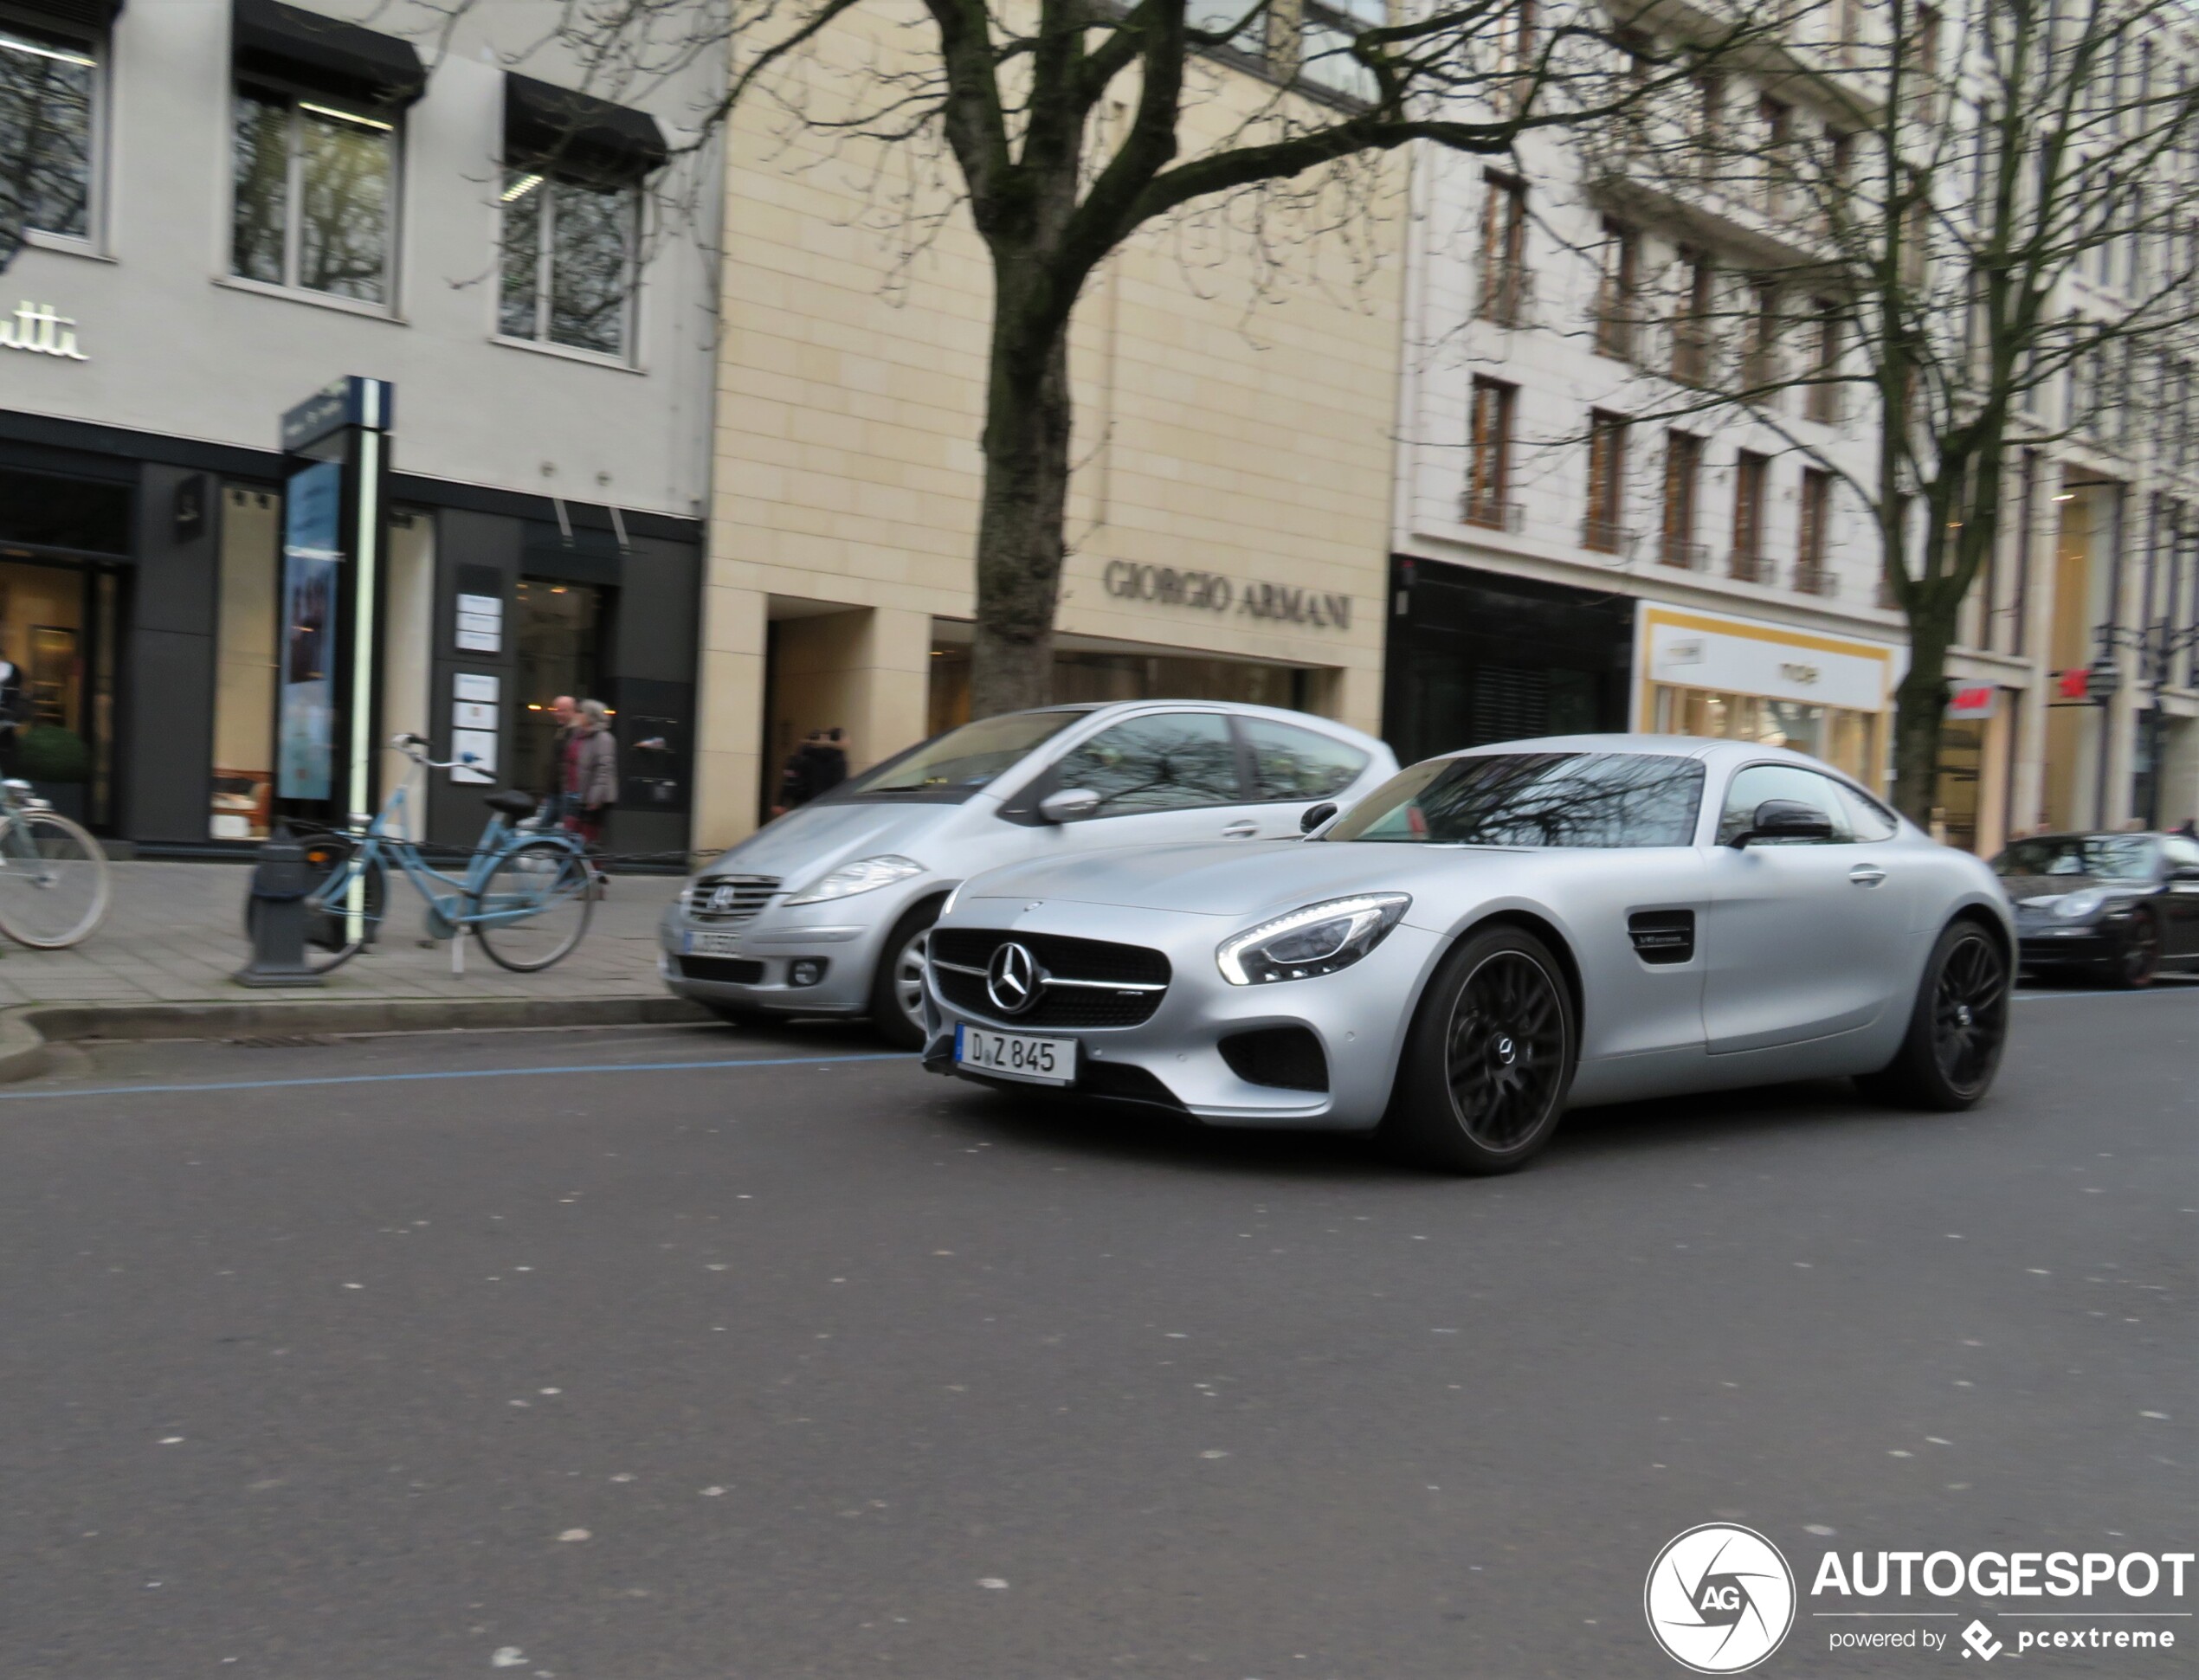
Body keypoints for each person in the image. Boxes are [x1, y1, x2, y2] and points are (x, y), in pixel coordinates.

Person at [563, 698, 617, 848]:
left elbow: (603, 769)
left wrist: (594, 799)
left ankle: (593, 871)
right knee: (568, 837)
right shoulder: (577, 735)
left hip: (590, 798)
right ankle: (572, 870)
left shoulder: (603, 738)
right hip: (573, 793)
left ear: (590, 716)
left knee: (587, 839)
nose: (577, 715)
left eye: (581, 712)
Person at [774, 727, 849, 815]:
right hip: (825, 806)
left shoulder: (801, 758)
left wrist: (780, 802)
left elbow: (789, 780)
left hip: (802, 804)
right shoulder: (836, 759)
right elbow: (840, 786)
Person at [536, 694, 577, 827]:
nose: (558, 714)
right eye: (556, 710)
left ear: (573, 711)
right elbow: (554, 764)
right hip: (557, 791)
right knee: (545, 829)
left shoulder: (576, 733)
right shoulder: (562, 731)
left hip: (567, 792)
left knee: (555, 831)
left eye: (563, 710)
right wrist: (547, 792)